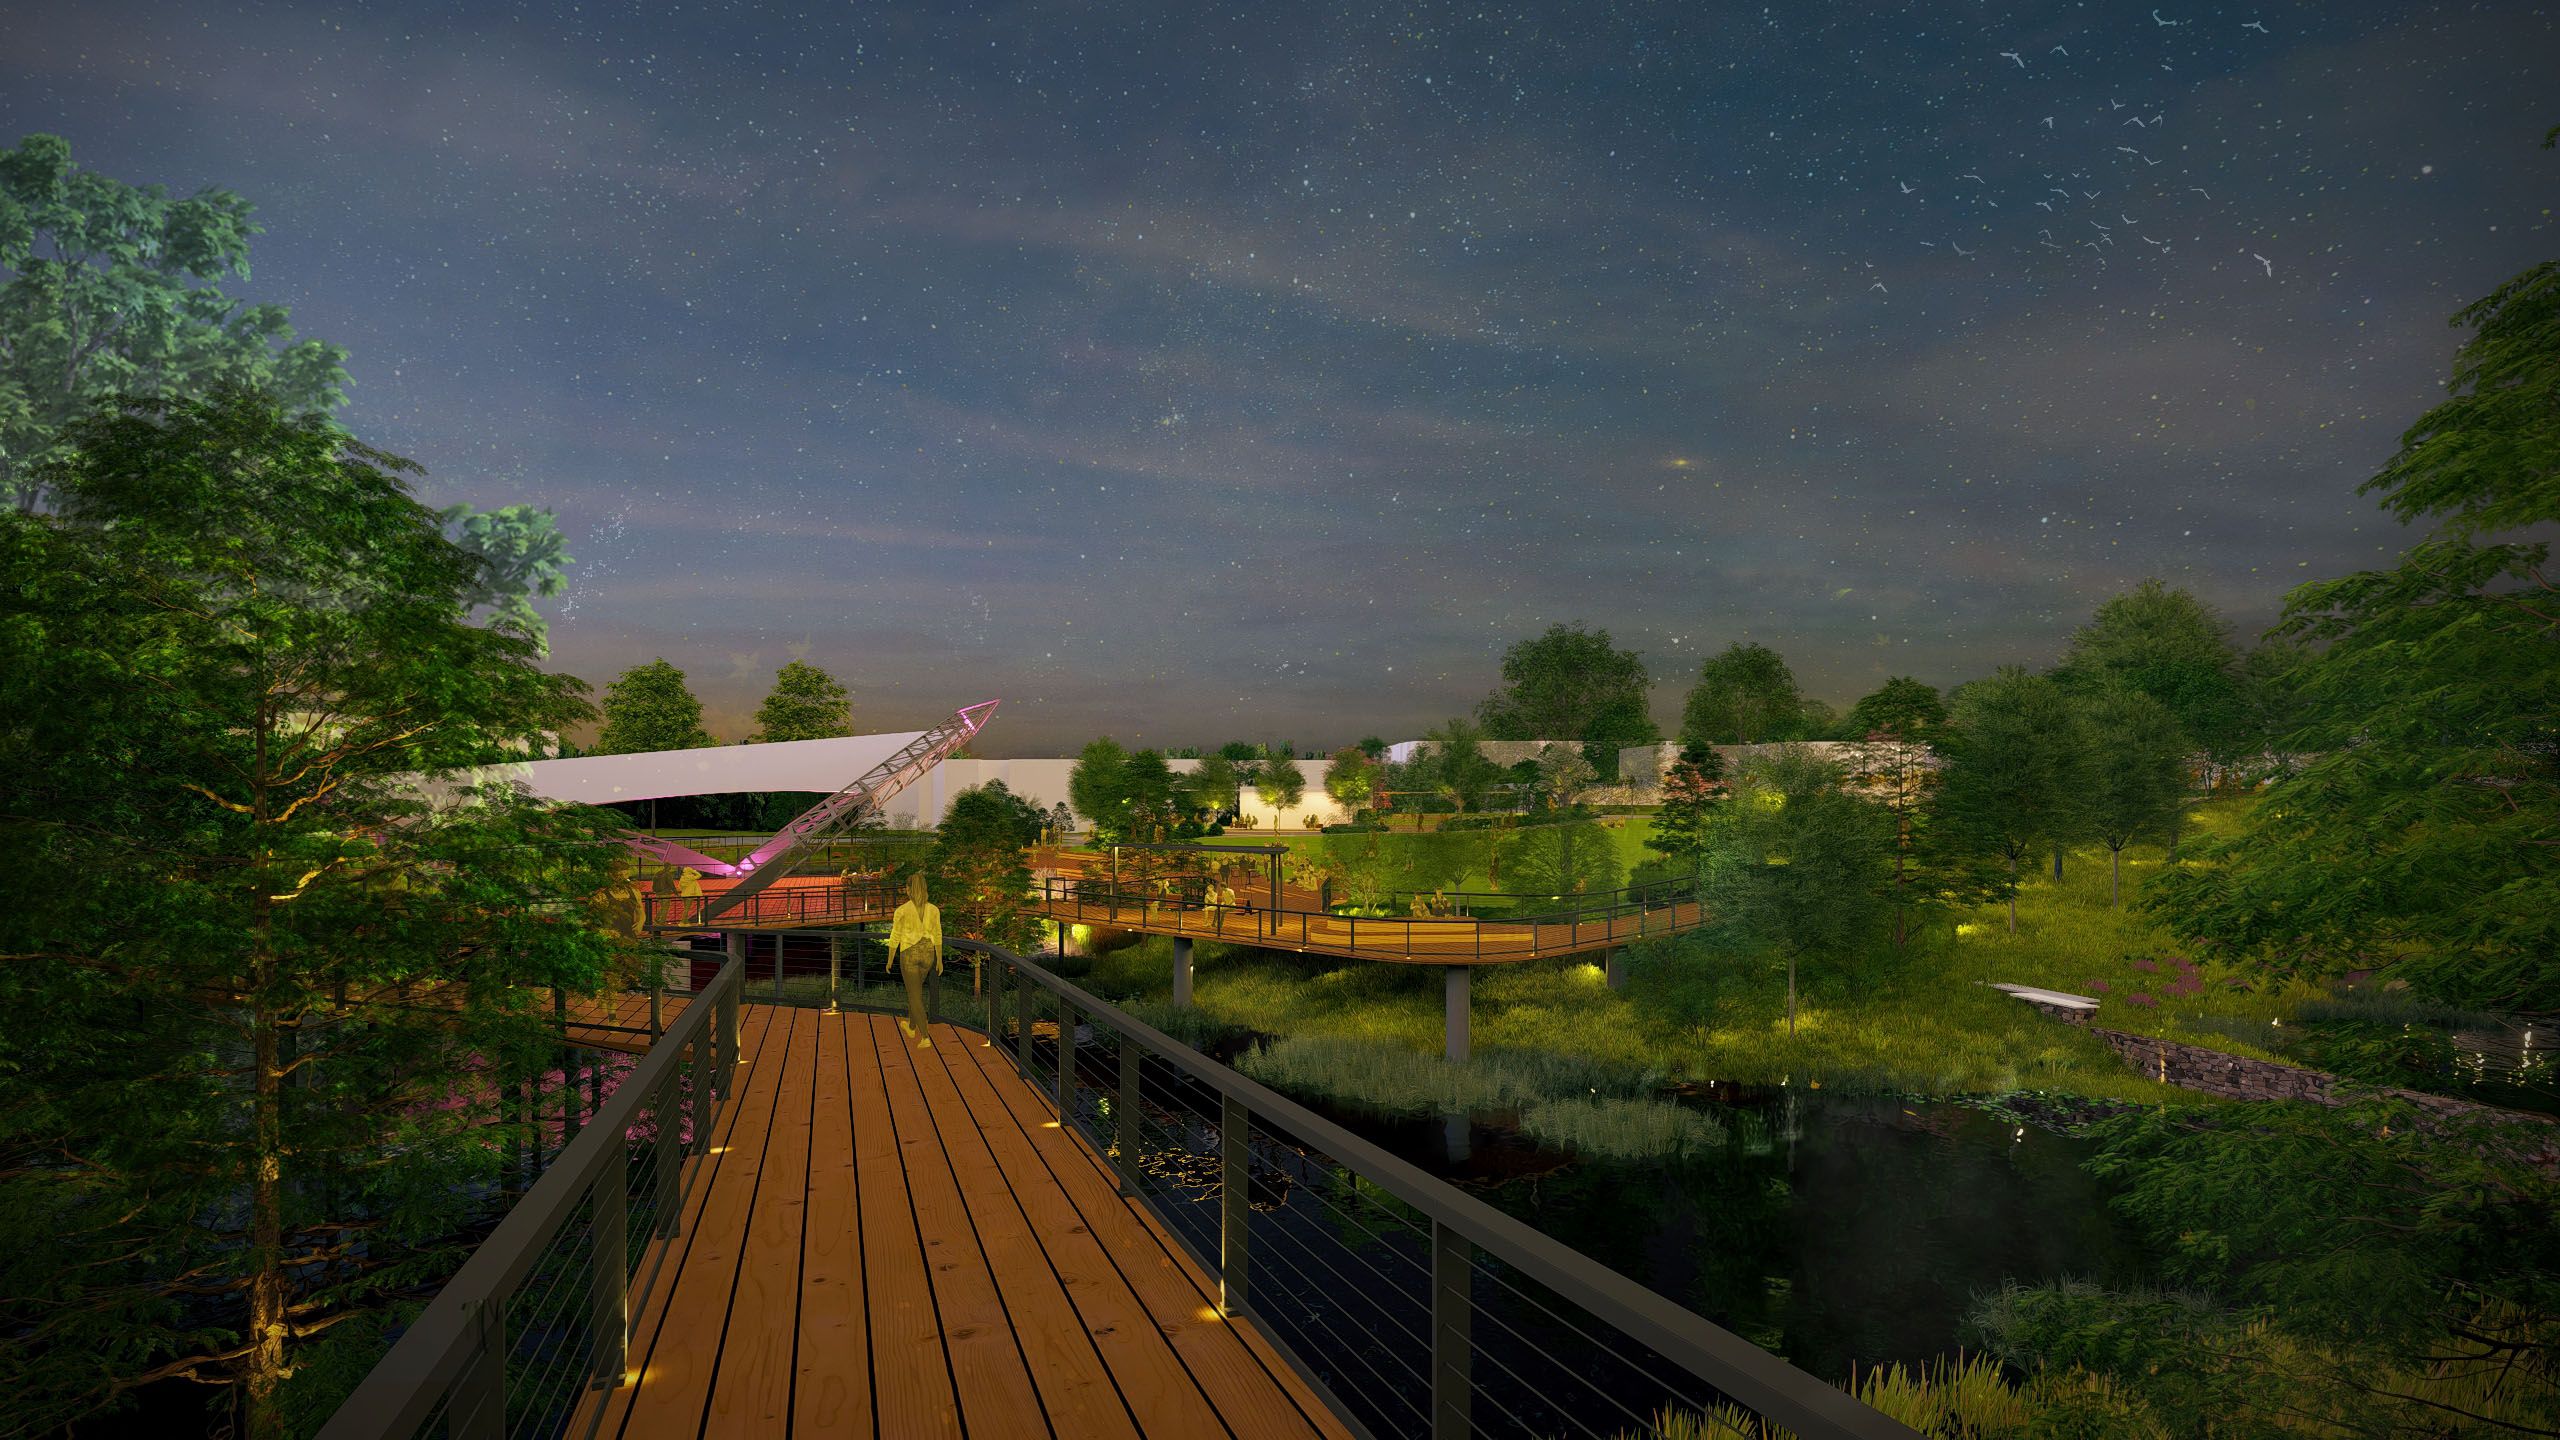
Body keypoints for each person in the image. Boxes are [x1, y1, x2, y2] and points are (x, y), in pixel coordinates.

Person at [886, 871, 943, 1048]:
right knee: (916, 992)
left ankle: (925, 1037)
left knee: (914, 995)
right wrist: (939, 959)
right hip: (928, 953)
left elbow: (895, 936)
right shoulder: (933, 909)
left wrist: (889, 959)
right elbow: (937, 934)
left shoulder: (901, 911)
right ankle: (911, 1027)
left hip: (909, 953)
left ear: (909, 889)